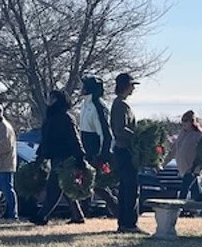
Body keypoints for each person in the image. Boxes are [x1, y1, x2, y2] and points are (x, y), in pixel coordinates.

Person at [34, 90, 86, 225]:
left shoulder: (66, 117)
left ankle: (42, 215)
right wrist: (40, 154)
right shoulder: (51, 117)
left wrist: (80, 156)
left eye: (53, 98)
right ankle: (78, 216)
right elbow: (45, 138)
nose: (50, 100)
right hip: (55, 156)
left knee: (54, 186)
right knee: (65, 186)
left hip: (65, 156)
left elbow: (74, 138)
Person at [110, 72, 146, 234]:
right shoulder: (121, 105)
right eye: (132, 85)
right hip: (124, 150)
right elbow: (119, 129)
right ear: (125, 86)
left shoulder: (120, 103)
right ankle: (129, 223)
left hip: (123, 150)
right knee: (130, 188)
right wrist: (137, 137)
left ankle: (124, 222)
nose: (133, 88)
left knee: (126, 187)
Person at [80, 74, 117, 216]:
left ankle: (116, 208)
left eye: (84, 86)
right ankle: (83, 213)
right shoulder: (86, 104)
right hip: (86, 149)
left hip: (95, 150)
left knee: (97, 184)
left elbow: (105, 134)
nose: (81, 88)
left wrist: (103, 155)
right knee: (86, 182)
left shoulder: (98, 106)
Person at [169, 110, 202, 200]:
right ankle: (201, 204)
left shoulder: (198, 135)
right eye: (182, 121)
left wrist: (197, 166)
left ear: (192, 122)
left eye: (186, 121)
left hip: (192, 169)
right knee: (196, 193)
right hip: (183, 169)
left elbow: (201, 152)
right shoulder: (182, 134)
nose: (183, 123)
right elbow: (174, 150)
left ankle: (180, 206)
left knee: (184, 191)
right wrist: (163, 163)